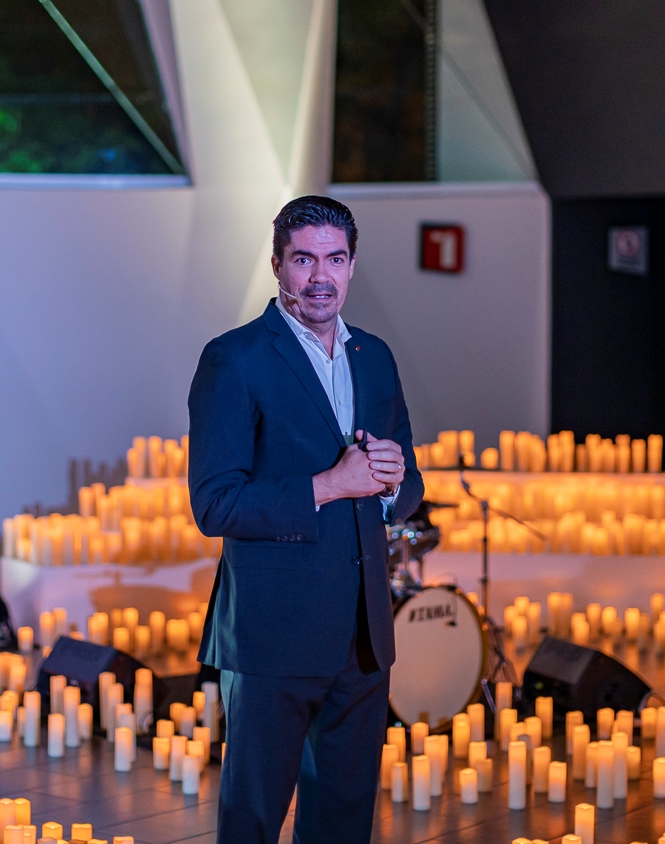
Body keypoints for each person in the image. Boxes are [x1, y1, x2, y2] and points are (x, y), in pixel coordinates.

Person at [187, 195, 424, 843]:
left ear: (352, 266)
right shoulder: (234, 359)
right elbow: (214, 503)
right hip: (271, 636)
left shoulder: (374, 357)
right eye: (304, 259)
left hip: (363, 636)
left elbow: (408, 482)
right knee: (254, 822)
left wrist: (390, 483)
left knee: (344, 823)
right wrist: (329, 485)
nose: (321, 275)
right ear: (277, 266)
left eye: (335, 259)